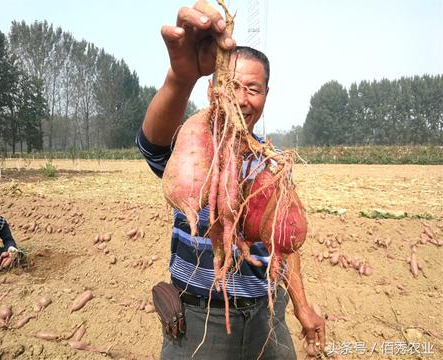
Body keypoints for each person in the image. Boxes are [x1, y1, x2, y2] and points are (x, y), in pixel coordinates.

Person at [137, 2, 325, 359]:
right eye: (231, 86)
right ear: (211, 91)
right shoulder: (189, 144)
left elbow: (282, 243)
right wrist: (181, 77)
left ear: (266, 96)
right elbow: (152, 142)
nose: (241, 99)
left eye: (253, 89)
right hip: (198, 318)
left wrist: (302, 304)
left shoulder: (273, 162)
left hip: (268, 315)